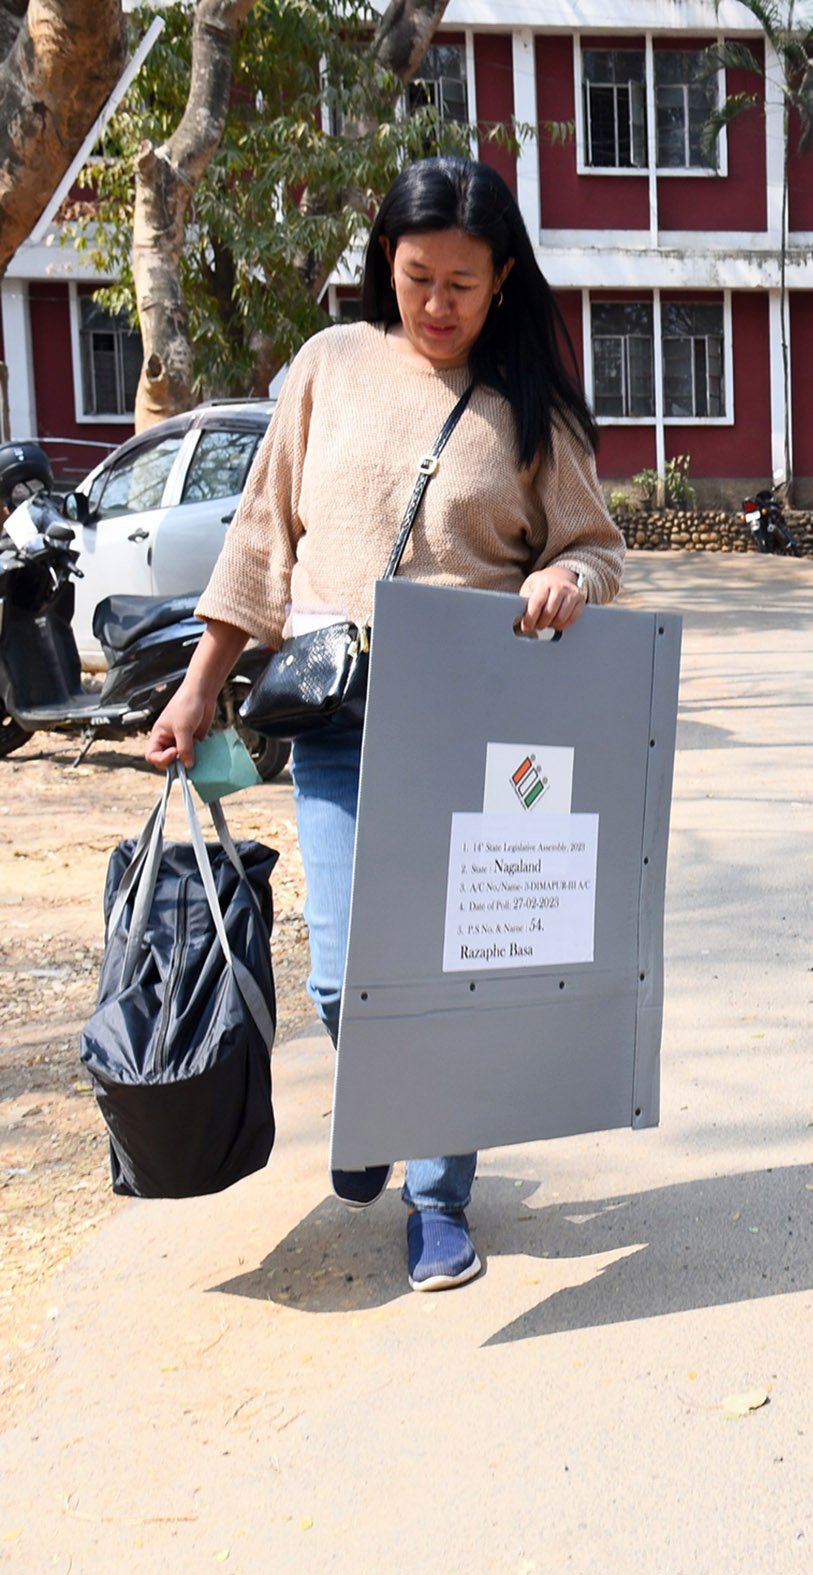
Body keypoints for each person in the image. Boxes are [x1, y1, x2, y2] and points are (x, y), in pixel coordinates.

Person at [148, 158, 625, 1294]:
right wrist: (199, 682)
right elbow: (261, 541)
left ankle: (437, 1199)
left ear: (503, 280)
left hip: (478, 722)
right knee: (340, 978)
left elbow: (596, 547)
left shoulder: (530, 412)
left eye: (464, 281)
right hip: (341, 714)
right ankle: (381, 1102)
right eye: (418, 277)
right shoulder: (330, 366)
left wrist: (569, 582)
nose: (438, 304)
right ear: (387, 266)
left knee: (442, 980)